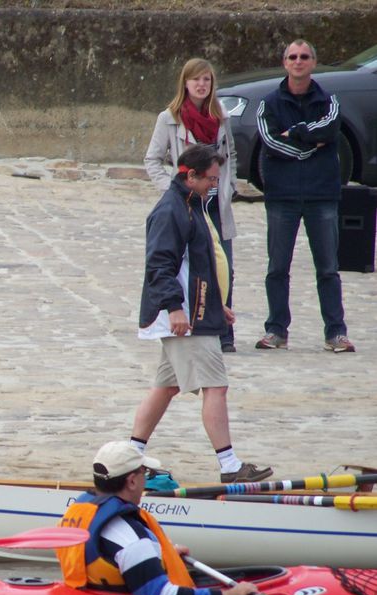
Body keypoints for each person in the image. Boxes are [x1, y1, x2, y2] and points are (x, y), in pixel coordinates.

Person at [131, 143, 272, 484]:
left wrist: (215, 306)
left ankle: (131, 457)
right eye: (210, 178)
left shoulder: (191, 204)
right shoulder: (171, 210)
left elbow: (198, 265)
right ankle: (229, 466)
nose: (215, 184)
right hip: (184, 320)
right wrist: (176, 308)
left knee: (165, 387)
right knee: (216, 386)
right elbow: (160, 266)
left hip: (193, 313)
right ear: (190, 175)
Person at [57, 441, 258, 595]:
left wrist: (162, 556)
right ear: (132, 481)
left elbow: (114, 555)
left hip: (92, 593)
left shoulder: (81, 511)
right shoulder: (131, 538)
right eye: (144, 472)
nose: (146, 479)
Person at [255, 39, 354, 353]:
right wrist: (309, 146)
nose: (298, 61)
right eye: (293, 56)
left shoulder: (329, 101)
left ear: (313, 62)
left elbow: (329, 130)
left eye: (305, 56)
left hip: (321, 194)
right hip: (281, 196)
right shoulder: (268, 103)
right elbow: (270, 142)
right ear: (284, 62)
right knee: (277, 267)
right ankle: (276, 331)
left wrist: (295, 133)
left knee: (327, 268)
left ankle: (335, 333)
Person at [145, 58, 238, 352]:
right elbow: (153, 159)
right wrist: (172, 190)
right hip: (187, 201)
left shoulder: (221, 117)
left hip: (215, 203)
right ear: (185, 83)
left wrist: (228, 186)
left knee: (223, 265)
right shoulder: (170, 117)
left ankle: (223, 330)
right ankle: (195, 322)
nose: (201, 85)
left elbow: (230, 155)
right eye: (196, 79)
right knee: (192, 264)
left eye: (207, 80)